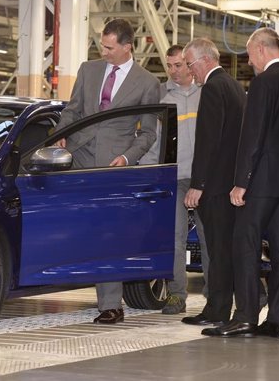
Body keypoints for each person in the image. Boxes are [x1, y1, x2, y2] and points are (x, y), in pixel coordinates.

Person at [202, 28, 279, 338]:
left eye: (250, 55)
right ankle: (277, 320)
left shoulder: (263, 84)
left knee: (244, 243)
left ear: (262, 50)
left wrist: (241, 182)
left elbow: (253, 136)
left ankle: (246, 316)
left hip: (261, 181)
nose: (249, 61)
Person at [54, 18, 161, 324]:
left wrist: (128, 158)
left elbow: (148, 133)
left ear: (128, 47)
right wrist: (61, 132)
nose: (104, 51)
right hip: (77, 158)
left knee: (107, 233)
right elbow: (72, 110)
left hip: (113, 166)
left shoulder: (147, 83)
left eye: (110, 47)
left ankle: (110, 304)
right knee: (72, 227)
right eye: (102, 44)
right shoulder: (88, 70)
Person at [140, 44, 210, 314]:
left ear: (189, 64)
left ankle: (214, 296)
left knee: (208, 238)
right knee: (174, 238)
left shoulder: (206, 92)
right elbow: (152, 139)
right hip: (175, 178)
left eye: (179, 65)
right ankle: (177, 295)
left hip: (204, 177)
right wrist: (146, 172)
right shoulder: (161, 95)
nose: (173, 71)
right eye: (169, 66)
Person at [181, 37, 245, 328]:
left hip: (216, 187)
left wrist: (198, 184)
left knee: (219, 252)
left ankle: (218, 310)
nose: (189, 70)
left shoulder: (212, 88)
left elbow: (209, 141)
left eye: (190, 64)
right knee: (224, 250)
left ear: (205, 59)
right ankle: (216, 307)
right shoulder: (234, 86)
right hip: (230, 184)